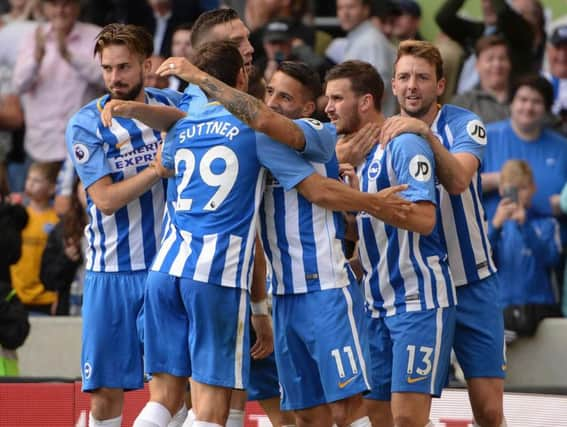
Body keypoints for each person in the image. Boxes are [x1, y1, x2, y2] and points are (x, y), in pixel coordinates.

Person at [379, 40, 506, 427]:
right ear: (393, 85)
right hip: (418, 293)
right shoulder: (380, 137)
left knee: (488, 411)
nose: (412, 85)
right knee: (407, 412)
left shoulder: (466, 124)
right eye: (404, 77)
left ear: (440, 85)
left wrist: (425, 135)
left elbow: (458, 179)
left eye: (422, 77)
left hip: (473, 284)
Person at [325, 59, 456, 427]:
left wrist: (370, 204)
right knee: (378, 418)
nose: (328, 108)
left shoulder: (403, 144)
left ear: (365, 102)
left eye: (337, 98)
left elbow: (425, 219)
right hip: (376, 305)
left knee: (407, 420)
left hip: (418, 302)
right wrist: (355, 213)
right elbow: (370, 229)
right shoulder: (362, 159)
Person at [65, 23, 182, 427]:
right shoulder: (86, 124)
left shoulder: (173, 107)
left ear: (147, 65)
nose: (115, 78)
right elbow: (105, 200)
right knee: (104, 397)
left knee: (173, 390)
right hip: (109, 272)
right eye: (107, 69)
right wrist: (156, 170)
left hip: (165, 272)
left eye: (124, 67)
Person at [12, 0, 103, 189]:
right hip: (40, 144)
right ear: (44, 8)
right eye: (54, 4)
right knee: (36, 211)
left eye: (67, 4)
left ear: (78, 7)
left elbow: (106, 79)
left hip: (82, 143)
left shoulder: (95, 35)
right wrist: (37, 58)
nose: (60, 10)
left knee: (78, 215)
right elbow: (19, 84)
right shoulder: (33, 37)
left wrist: (68, 55)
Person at [482, 74, 567, 242]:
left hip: (547, 248)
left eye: (536, 102)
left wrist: (553, 204)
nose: (528, 107)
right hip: (492, 241)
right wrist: (500, 179)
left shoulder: (562, 147)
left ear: (546, 109)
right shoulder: (485, 137)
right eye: (523, 99)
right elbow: (460, 184)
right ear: (511, 103)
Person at [489, 159, 561, 336]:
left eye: (522, 188)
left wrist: (525, 226)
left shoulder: (547, 223)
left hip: (540, 306)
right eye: (511, 189)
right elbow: (480, 263)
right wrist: (495, 227)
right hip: (502, 306)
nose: (518, 195)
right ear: (501, 190)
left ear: (533, 188)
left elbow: (552, 260)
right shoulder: (493, 225)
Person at [10, 161, 60, 315]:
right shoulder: (16, 215)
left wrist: (57, 297)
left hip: (46, 298)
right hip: (15, 295)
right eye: (29, 179)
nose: (30, 184)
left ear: (52, 188)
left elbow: (59, 264)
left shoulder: (56, 219)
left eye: (37, 180)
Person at [335, 0, 397, 116]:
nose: (345, 13)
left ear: (366, 9)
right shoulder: (359, 38)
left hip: (372, 127)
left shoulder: (371, 41)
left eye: (350, 7)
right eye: (340, 8)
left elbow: (380, 88)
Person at [40, 178, 88, 315]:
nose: (91, 186)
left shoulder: (120, 225)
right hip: (71, 308)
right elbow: (47, 279)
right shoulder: (63, 229)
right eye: (86, 181)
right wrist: (66, 259)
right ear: (76, 190)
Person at [451, 35, 511, 124]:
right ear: (478, 65)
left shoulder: (525, 98)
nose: (497, 64)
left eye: (502, 58)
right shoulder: (462, 103)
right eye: (490, 59)